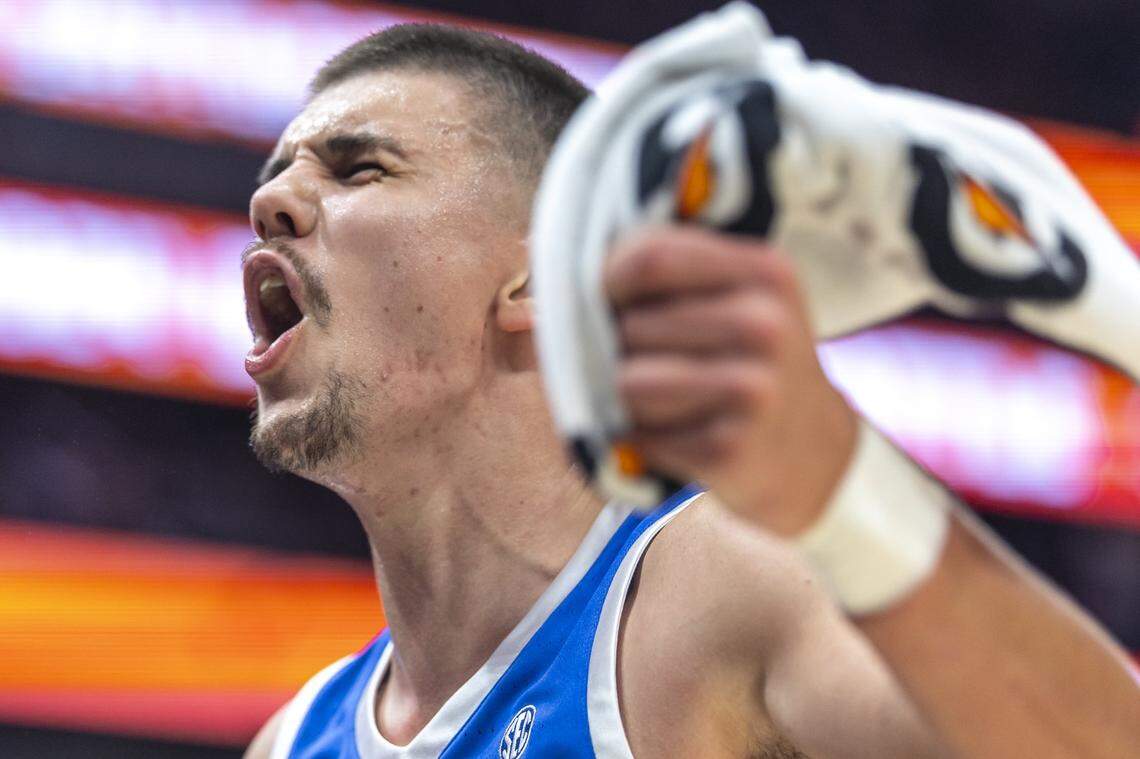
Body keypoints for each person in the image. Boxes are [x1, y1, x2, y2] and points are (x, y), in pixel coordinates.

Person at [241, 24, 1139, 759]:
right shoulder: (294, 737)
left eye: (359, 168)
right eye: (277, 171)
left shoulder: (716, 588)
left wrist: (845, 489)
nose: (272, 200)